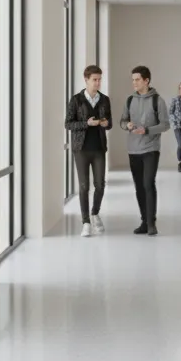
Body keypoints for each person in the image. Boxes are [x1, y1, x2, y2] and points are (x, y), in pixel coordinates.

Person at [119, 66, 170, 236]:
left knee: (148, 183)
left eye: (137, 79)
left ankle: (151, 223)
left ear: (146, 80)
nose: (134, 82)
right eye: (133, 79)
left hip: (151, 149)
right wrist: (127, 125)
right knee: (139, 187)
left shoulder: (158, 100)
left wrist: (146, 130)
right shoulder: (129, 100)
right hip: (133, 150)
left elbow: (165, 124)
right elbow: (122, 121)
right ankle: (143, 221)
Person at [65, 65, 112, 238]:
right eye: (95, 79)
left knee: (100, 185)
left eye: (100, 79)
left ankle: (95, 213)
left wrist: (106, 123)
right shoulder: (76, 100)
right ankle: (85, 222)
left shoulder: (105, 100)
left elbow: (110, 122)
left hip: (99, 148)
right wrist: (87, 124)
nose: (98, 82)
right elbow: (68, 124)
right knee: (84, 186)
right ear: (86, 80)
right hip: (81, 149)